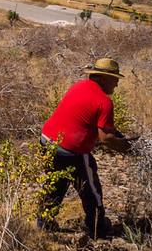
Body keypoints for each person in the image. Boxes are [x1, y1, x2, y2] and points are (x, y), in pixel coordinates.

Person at [37, 57, 133, 239]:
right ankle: (98, 227)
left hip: (47, 140)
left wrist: (117, 135)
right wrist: (128, 148)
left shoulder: (78, 86)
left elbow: (94, 123)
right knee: (91, 189)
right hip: (71, 150)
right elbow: (106, 139)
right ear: (103, 78)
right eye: (115, 79)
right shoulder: (104, 102)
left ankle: (44, 224)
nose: (117, 84)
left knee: (55, 183)